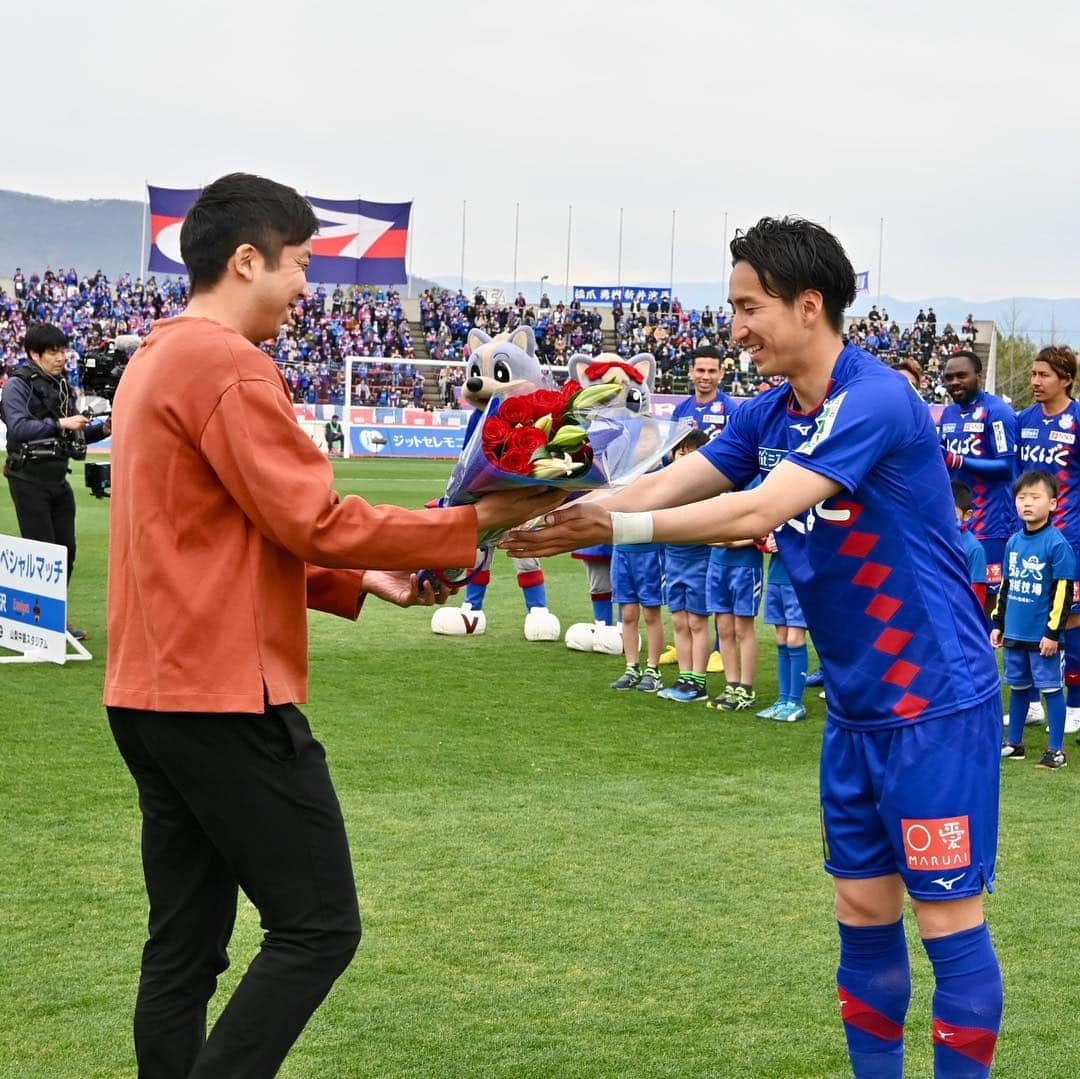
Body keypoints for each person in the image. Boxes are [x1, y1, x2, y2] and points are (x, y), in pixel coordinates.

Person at [504, 216, 1003, 1078]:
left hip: (934, 699)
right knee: (860, 906)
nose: (733, 327)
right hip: (854, 709)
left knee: (947, 922)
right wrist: (559, 507)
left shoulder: (875, 398)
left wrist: (618, 523)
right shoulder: (768, 410)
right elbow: (674, 479)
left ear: (809, 307)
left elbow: (757, 510)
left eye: (748, 306)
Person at [103, 173, 563, 1079]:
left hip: (149, 692)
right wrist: (474, 521)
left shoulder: (155, 356)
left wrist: (363, 578)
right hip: (224, 692)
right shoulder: (225, 361)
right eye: (303, 264)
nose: (310, 287)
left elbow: (215, 532)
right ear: (248, 260)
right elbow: (308, 515)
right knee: (317, 925)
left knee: (185, 950)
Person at [1, 323, 111, 640]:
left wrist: (102, 430)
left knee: (66, 552)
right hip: (28, 477)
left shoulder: (61, 385)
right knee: (42, 552)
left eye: (64, 350)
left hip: (57, 476)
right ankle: (43, 625)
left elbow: (74, 433)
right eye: (54, 351)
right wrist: (61, 422)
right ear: (34, 353)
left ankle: (53, 621)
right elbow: (18, 428)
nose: (61, 357)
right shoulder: (17, 385)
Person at [1015, 344, 1080, 735]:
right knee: (1029, 615)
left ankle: (1074, 703)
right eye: (1033, 374)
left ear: (1066, 379)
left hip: (1070, 537)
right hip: (1027, 538)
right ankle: (1036, 703)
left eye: (1044, 375)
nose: (1035, 382)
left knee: (1070, 617)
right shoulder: (1024, 420)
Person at [992, 470, 1074, 769]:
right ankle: (1014, 744)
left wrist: (1053, 633)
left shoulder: (1056, 544)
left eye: (1035, 497)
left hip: (1043, 637)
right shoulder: (1013, 542)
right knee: (1018, 687)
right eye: (1022, 497)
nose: (1027, 503)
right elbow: (1006, 585)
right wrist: (998, 623)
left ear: (1052, 503)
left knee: (1051, 687)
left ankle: (1056, 750)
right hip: (1015, 632)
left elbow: (1064, 592)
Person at [939, 350, 1018, 607]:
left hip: (990, 523)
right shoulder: (948, 414)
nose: (954, 382)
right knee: (955, 592)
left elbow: (1007, 467)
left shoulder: (997, 411)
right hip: (956, 523)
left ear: (979, 376)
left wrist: (959, 460)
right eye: (948, 377)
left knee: (987, 600)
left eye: (961, 375)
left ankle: (984, 647)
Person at [657, 428, 713, 703]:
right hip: (673, 560)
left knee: (697, 622)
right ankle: (684, 675)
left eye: (692, 454)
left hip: (699, 561)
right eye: (681, 452)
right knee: (679, 620)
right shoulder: (667, 488)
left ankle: (699, 681)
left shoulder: (708, 489)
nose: (684, 458)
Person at [704, 535, 762, 711]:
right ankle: (732, 685)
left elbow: (762, 530)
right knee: (723, 628)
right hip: (717, 563)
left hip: (746, 564)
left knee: (743, 629)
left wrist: (735, 542)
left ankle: (746, 689)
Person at [757, 531, 809, 721]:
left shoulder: (807, 513)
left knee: (794, 639)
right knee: (781, 639)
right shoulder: (780, 511)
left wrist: (787, 543)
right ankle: (783, 699)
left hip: (797, 580)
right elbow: (760, 534)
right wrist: (765, 540)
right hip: (776, 577)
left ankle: (795, 702)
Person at [608, 536, 665, 693]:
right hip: (621, 550)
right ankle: (632, 667)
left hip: (650, 552)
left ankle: (653, 669)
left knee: (651, 614)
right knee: (628, 614)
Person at [671, 345, 737, 439]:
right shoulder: (680, 410)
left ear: (721, 373)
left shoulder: (731, 410)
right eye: (701, 370)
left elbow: (736, 449)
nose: (706, 377)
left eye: (712, 371)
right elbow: (671, 449)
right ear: (691, 371)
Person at [952, 481, 988, 608]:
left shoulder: (974, 548)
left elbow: (977, 591)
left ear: (967, 515)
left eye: (952, 513)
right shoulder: (932, 539)